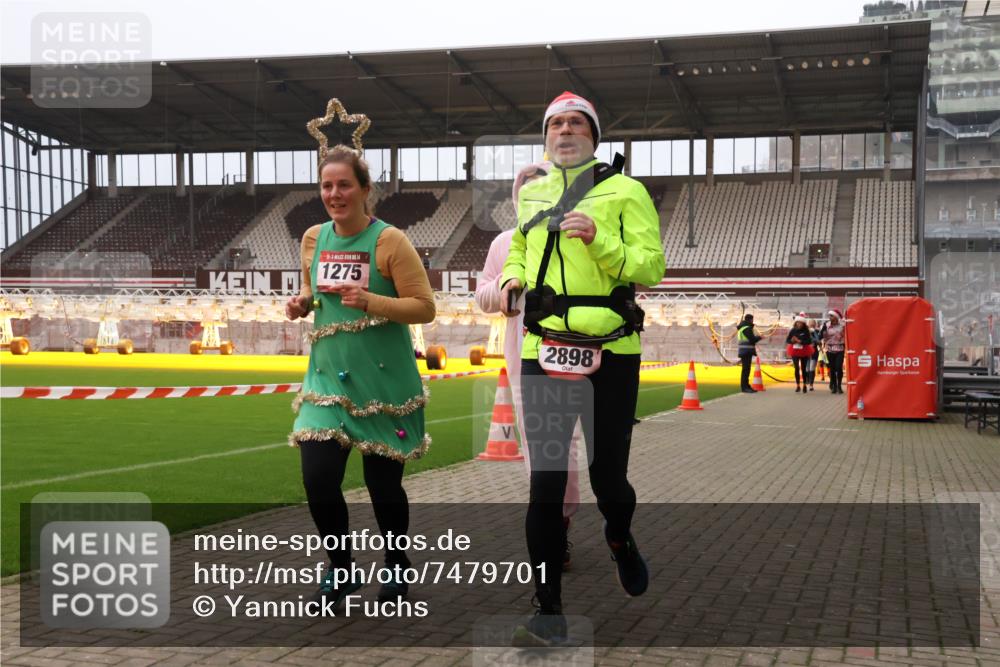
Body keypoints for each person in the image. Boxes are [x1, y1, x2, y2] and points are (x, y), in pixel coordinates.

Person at [498, 91, 666, 643]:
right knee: (545, 483)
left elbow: (652, 267)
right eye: (556, 124)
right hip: (544, 350)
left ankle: (619, 536)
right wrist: (512, 278)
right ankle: (548, 609)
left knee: (607, 479)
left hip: (612, 351)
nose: (565, 131)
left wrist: (601, 241)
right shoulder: (533, 193)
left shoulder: (627, 191)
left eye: (576, 123)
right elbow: (520, 248)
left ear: (593, 135)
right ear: (546, 136)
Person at [285, 145, 435, 609]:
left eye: (344, 185)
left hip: (384, 385)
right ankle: (341, 568)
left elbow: (424, 307)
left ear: (366, 190)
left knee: (383, 487)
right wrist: (302, 302)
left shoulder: (390, 241)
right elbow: (312, 288)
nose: (334, 193)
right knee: (318, 479)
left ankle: (396, 563)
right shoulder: (313, 238)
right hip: (327, 381)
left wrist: (372, 301)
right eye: (327, 185)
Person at [475, 161, 582, 569]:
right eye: (525, 191)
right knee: (538, 449)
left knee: (565, 446)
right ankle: (551, 531)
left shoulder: (571, 239)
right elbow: (482, 295)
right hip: (524, 361)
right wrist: (506, 287)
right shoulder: (504, 243)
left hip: (570, 356)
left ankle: (562, 521)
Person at [786, 315, 814, 394]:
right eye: (797, 323)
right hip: (794, 350)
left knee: (803, 368)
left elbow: (809, 341)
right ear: (795, 323)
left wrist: (800, 341)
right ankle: (798, 385)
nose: (799, 324)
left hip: (804, 350)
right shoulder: (793, 330)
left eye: (800, 323)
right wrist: (792, 341)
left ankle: (804, 384)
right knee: (796, 368)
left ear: (803, 324)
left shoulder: (806, 331)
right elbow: (787, 340)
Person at [821, 309, 846, 394]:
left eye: (831, 316)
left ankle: (839, 386)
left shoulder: (842, 325)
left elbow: (847, 334)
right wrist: (823, 334)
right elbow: (821, 335)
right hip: (830, 349)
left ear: (836, 317)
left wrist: (842, 334)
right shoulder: (826, 324)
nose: (830, 317)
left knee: (838, 368)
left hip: (840, 349)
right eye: (829, 316)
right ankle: (834, 386)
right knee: (832, 369)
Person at [737, 313, 762, 393]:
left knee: (746, 369)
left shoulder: (742, 328)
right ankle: (745, 387)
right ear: (751, 320)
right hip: (746, 351)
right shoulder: (747, 328)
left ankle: (746, 386)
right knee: (746, 370)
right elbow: (752, 339)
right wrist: (759, 337)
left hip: (744, 351)